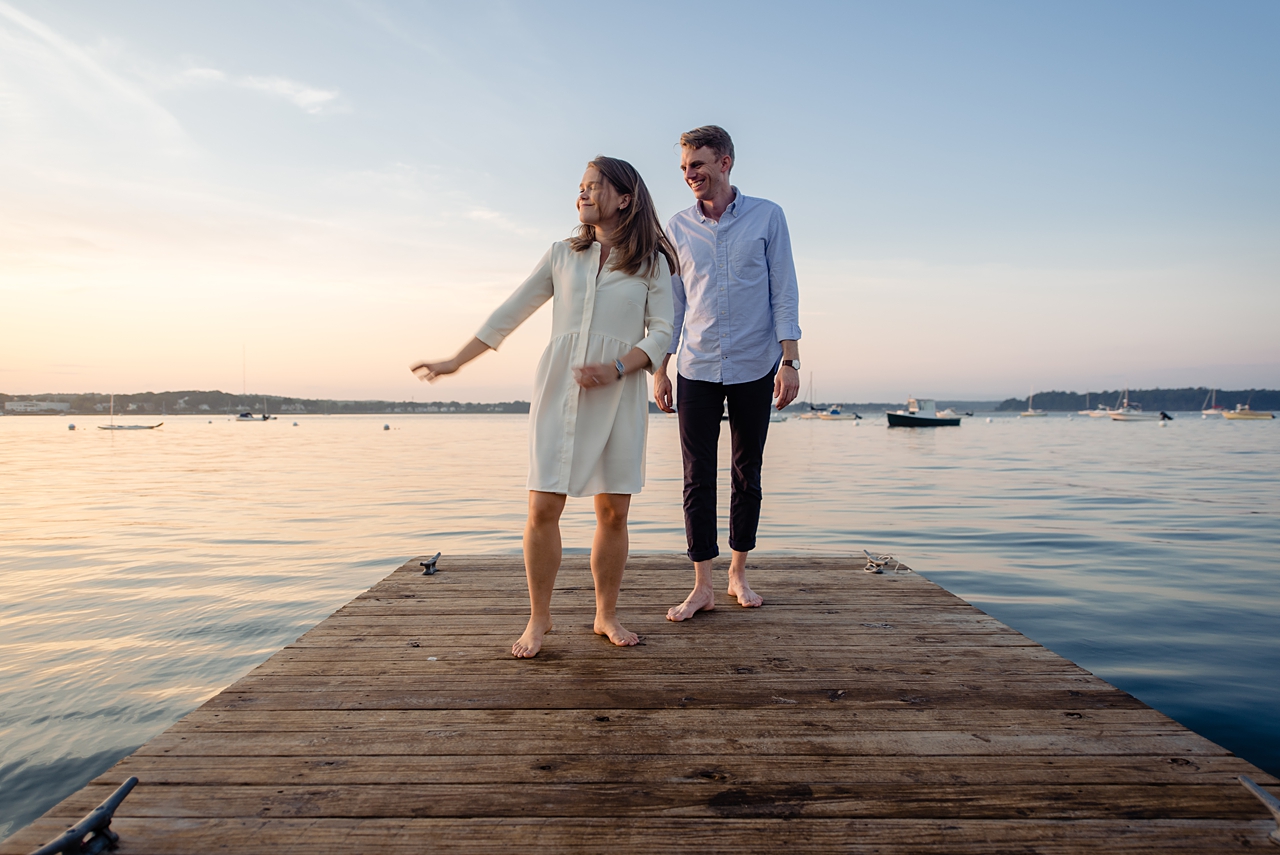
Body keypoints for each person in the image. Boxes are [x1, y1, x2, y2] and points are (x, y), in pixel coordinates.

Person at [412, 157, 676, 658]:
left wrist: (619, 367)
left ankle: (605, 614)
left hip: (619, 394)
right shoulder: (562, 254)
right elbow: (509, 312)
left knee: (613, 512)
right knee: (541, 508)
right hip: (561, 390)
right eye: (580, 186)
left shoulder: (652, 263)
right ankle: (539, 618)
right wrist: (454, 362)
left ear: (624, 198)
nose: (583, 193)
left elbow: (663, 332)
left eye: (594, 186)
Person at [654, 125, 801, 621]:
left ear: (725, 162)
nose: (690, 174)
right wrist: (661, 368)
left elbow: (784, 289)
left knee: (747, 472)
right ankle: (702, 586)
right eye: (684, 168)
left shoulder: (767, 216)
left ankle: (738, 572)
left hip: (754, 364)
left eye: (698, 164)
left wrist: (791, 360)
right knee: (696, 478)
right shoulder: (676, 228)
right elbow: (672, 304)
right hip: (695, 365)